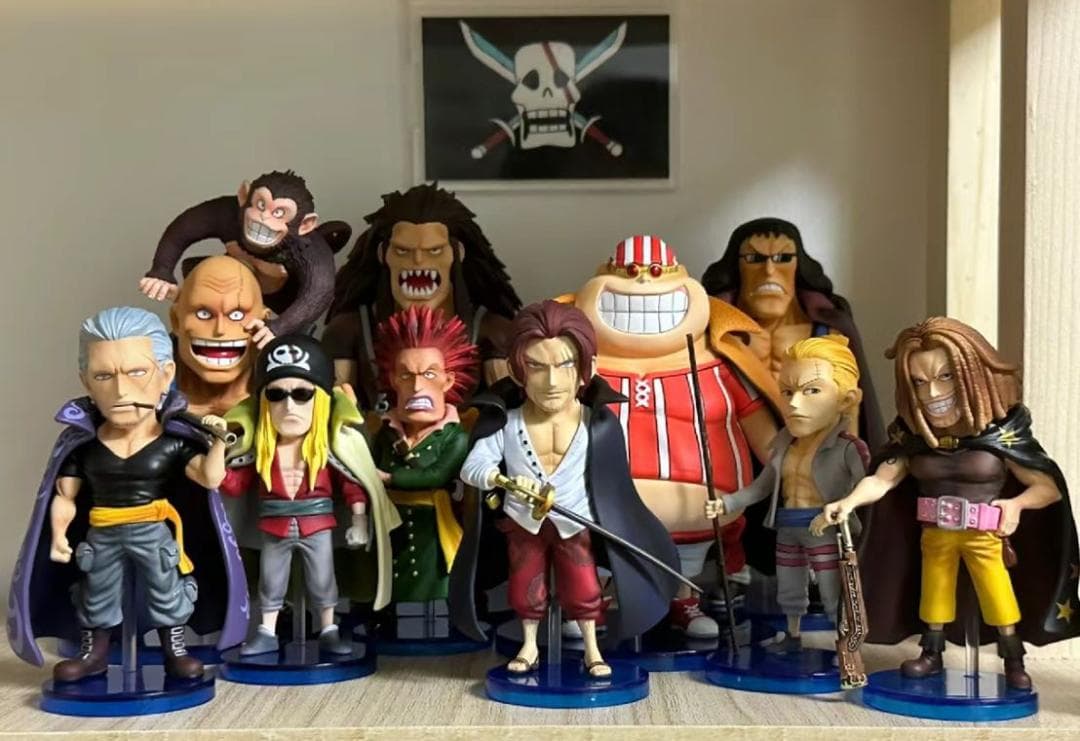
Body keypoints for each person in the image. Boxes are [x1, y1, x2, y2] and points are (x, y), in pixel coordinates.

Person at [816, 317, 1080, 689]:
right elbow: (882, 479)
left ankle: (1013, 659)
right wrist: (848, 501)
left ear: (971, 375)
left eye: (945, 377)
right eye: (919, 382)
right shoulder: (915, 440)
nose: (933, 393)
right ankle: (931, 653)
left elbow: (1047, 487)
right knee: (934, 596)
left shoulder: (1000, 436)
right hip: (935, 534)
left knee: (998, 597)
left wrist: (1016, 505)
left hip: (983, 534)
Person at [8, 307, 247, 681]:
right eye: (104, 375)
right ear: (86, 382)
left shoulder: (173, 443)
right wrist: (58, 536)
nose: (121, 390)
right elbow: (65, 496)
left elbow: (209, 479)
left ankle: (175, 650)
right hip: (102, 533)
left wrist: (218, 443)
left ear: (166, 374)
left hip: (153, 532)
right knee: (96, 592)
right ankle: (94, 654)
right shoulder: (83, 446)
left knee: (166, 589)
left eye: (137, 372)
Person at [455, 301, 680, 676]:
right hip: (523, 523)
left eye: (565, 365)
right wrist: (499, 478)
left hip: (575, 522)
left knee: (584, 584)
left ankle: (592, 648)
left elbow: (614, 486)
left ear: (587, 368)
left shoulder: (597, 425)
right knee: (526, 584)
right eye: (536, 366)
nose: (551, 381)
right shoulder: (506, 423)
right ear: (517, 370)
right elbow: (472, 467)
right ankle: (529, 645)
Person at [220, 335, 399, 655]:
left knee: (323, 579)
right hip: (274, 526)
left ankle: (329, 629)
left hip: (317, 523)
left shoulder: (332, 449)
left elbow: (352, 483)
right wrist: (216, 463)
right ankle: (267, 631)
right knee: (271, 580)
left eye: (302, 394)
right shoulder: (258, 450)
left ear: (321, 400)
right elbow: (235, 485)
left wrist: (359, 521)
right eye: (276, 394)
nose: (289, 406)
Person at [706, 335, 867, 652]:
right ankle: (792, 635)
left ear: (846, 399)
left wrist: (845, 508)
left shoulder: (848, 449)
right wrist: (727, 502)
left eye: (812, 391)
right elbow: (763, 485)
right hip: (787, 524)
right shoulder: (785, 444)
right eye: (787, 392)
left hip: (826, 528)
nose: (794, 403)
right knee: (789, 586)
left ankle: (844, 642)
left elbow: (866, 489)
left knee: (832, 588)